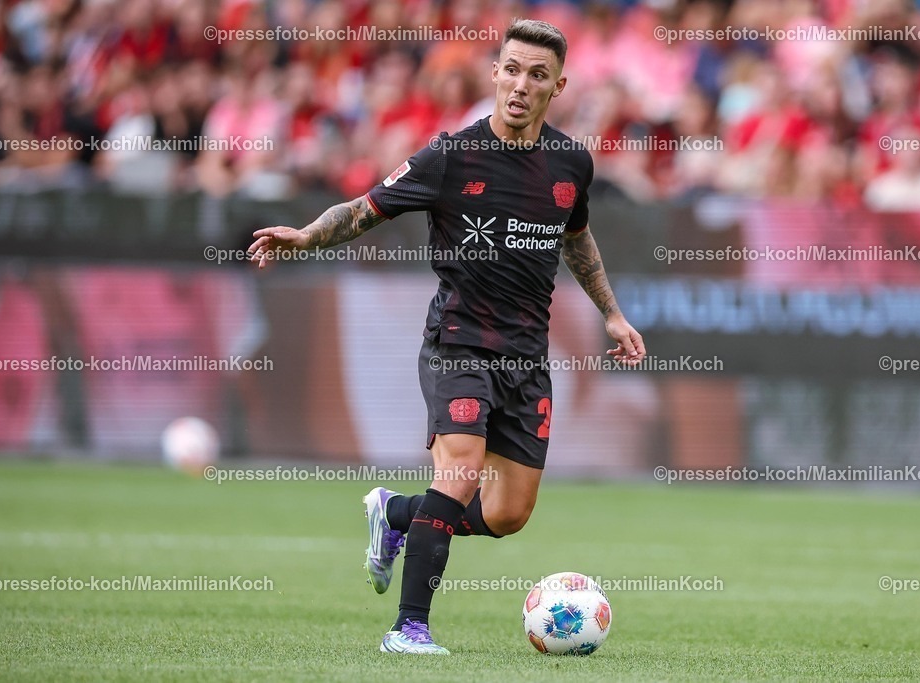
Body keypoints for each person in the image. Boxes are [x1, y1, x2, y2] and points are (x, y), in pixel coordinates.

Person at [247, 18, 646, 655]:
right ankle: (409, 629)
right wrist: (305, 236)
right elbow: (363, 210)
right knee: (458, 475)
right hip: (458, 345)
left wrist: (612, 313)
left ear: (558, 86)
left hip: (527, 359)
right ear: (494, 74)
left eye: (537, 75)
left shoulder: (572, 162)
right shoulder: (450, 156)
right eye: (511, 70)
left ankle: (396, 514)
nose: (521, 85)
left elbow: (576, 237)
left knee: (507, 514)